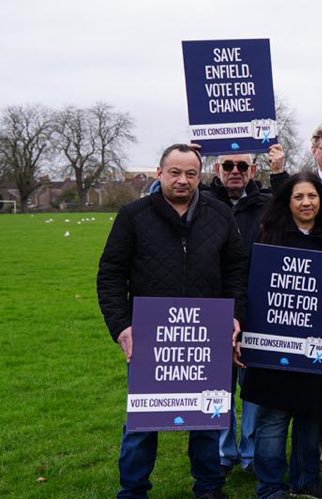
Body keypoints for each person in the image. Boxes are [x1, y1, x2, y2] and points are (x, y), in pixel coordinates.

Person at [97, 144, 249, 499]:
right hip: (150, 335)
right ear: (159, 173)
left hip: (206, 333)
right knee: (142, 421)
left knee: (207, 417)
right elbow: (111, 273)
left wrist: (235, 315)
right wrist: (121, 326)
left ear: (200, 175)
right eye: (175, 173)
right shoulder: (133, 215)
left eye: (191, 174)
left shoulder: (219, 213)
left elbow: (236, 269)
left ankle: (209, 487)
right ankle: (133, 490)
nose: (183, 180)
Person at [242, 172, 322, 499]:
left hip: (315, 345)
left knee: (310, 417)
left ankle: (306, 481)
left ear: (321, 200)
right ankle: (270, 486)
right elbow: (249, 284)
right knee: (273, 419)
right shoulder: (267, 237)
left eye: (312, 196)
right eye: (298, 196)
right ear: (287, 201)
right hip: (274, 344)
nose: (306, 202)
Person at [201, 149, 277, 473]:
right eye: (229, 165)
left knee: (254, 384)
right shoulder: (202, 202)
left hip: (257, 304)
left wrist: (280, 171)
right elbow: (161, 196)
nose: (235, 170)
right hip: (214, 303)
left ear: (253, 170)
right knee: (219, 383)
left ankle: (251, 453)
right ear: (217, 168)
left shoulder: (267, 204)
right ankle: (223, 452)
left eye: (242, 165)